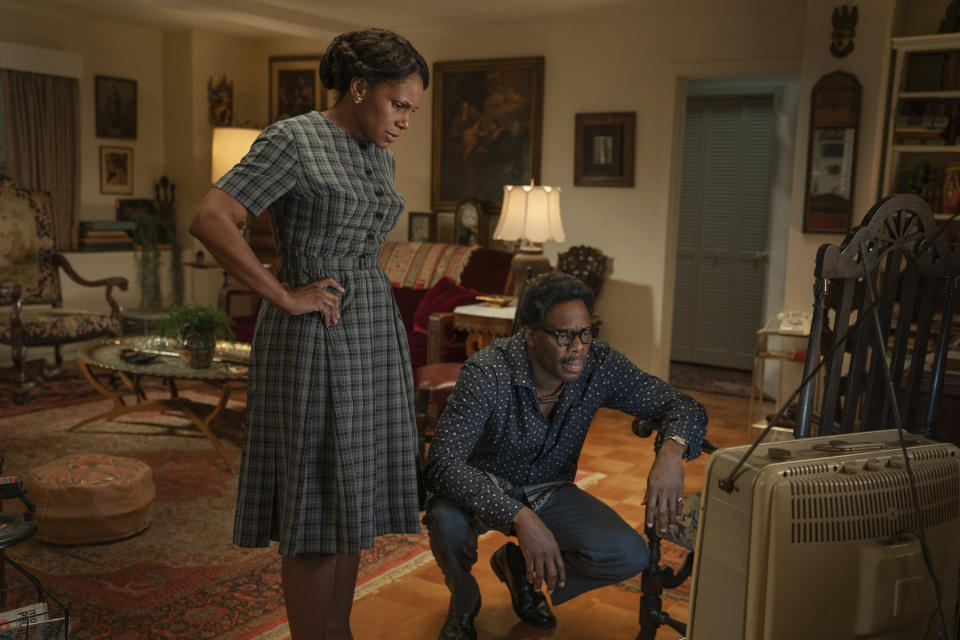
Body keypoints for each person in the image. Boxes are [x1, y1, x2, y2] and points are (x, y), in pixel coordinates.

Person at [189, 29, 428, 640]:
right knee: (320, 493)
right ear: (358, 87)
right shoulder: (294, 139)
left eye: (412, 111)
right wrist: (281, 293)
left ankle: (336, 631)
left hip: (372, 329)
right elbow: (211, 218)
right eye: (398, 104)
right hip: (316, 333)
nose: (405, 120)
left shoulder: (380, 152)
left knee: (355, 491)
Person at [422, 272, 708, 640]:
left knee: (628, 555)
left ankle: (520, 571)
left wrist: (671, 452)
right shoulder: (487, 371)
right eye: (563, 335)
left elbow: (683, 405)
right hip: (482, 486)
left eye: (586, 333)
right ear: (529, 335)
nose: (578, 346)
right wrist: (519, 517)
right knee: (446, 523)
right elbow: (441, 465)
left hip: (549, 488)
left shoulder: (598, 364)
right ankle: (463, 605)